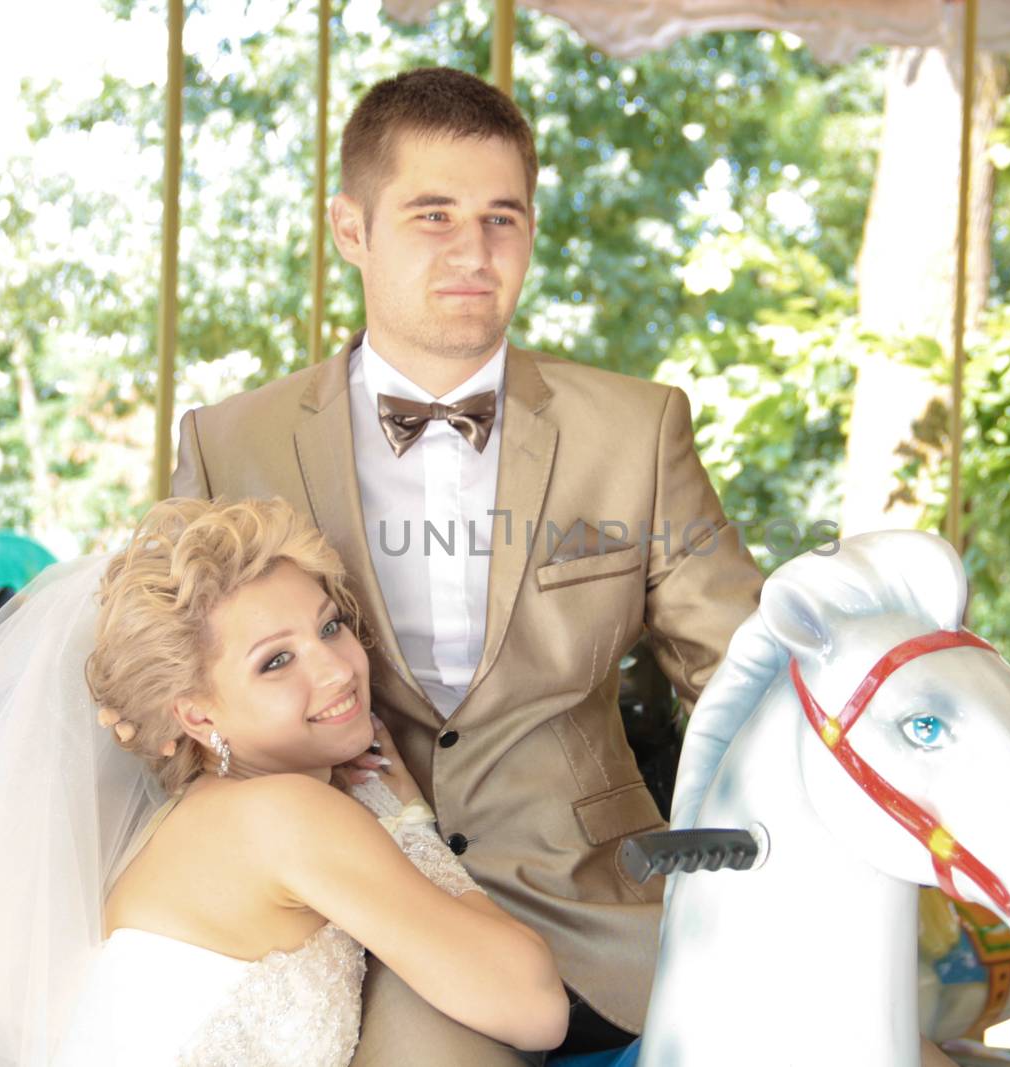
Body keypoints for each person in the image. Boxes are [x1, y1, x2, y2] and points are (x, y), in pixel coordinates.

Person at [171, 66, 765, 1062]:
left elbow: (747, 673)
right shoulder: (233, 442)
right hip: (343, 910)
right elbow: (180, 693)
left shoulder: (634, 427)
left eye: (502, 219)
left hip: (601, 907)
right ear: (350, 229)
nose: (474, 252)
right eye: (432, 215)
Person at [0, 496, 569, 1066]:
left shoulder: (189, 819)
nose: (337, 667)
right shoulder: (285, 816)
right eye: (276, 660)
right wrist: (408, 819)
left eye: (331, 625)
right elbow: (536, 1007)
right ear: (195, 713)